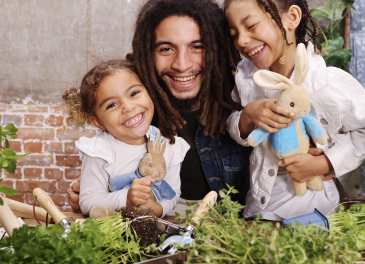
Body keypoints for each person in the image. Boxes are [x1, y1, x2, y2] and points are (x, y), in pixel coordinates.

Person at [67, 0, 252, 215]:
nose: (182, 65)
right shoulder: (136, 95)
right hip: (158, 218)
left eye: (197, 47)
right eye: (166, 48)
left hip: (231, 222)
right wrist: (93, 192)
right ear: (147, 53)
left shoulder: (243, 91)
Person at [224, 0, 365, 220]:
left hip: (315, 211)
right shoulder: (246, 78)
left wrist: (324, 162)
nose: (242, 41)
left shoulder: (329, 83)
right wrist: (248, 116)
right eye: (234, 34)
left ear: (291, 18)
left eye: (251, 26)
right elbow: (233, 126)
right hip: (260, 209)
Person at [62, 59, 190, 217]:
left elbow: (172, 194)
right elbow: (87, 201)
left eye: (134, 93)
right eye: (111, 105)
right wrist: (126, 198)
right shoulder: (100, 151)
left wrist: (159, 209)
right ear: (97, 121)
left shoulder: (168, 145)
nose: (128, 107)